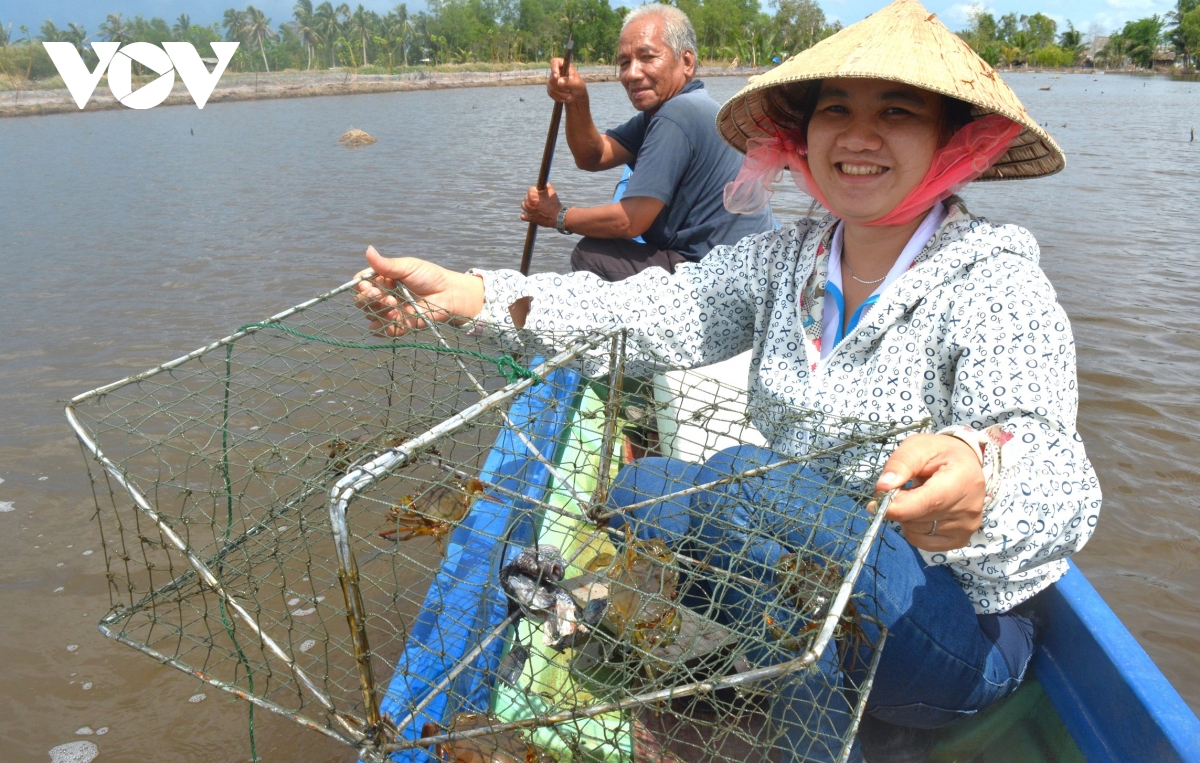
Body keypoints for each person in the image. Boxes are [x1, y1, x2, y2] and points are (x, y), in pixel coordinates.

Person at [354, 0, 1102, 759]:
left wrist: (983, 471)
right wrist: (474, 294)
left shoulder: (993, 282)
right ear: (801, 137)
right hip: (810, 559)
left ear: (953, 139)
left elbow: (1053, 461)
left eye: (898, 112)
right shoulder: (786, 259)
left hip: (947, 628)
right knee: (636, 496)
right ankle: (779, 653)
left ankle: (796, 708)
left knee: (747, 480)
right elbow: (647, 311)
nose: (858, 135)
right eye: (835, 108)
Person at [520, 3, 775, 281]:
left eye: (647, 57)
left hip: (720, 274)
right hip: (738, 264)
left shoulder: (678, 113)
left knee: (590, 254)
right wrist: (576, 99)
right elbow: (594, 156)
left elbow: (630, 221)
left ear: (687, 62)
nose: (632, 73)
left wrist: (558, 216)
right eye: (624, 63)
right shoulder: (668, 111)